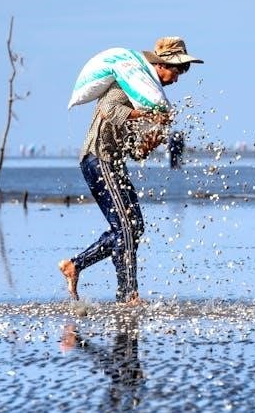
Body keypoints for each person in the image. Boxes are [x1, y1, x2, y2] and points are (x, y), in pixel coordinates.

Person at [59, 37, 203, 305]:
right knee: (124, 227)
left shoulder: (147, 97)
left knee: (134, 227)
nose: (177, 78)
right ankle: (128, 295)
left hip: (114, 162)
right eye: (177, 70)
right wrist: (147, 116)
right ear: (161, 65)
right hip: (97, 158)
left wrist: (150, 142)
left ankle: (75, 265)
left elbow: (135, 152)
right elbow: (107, 109)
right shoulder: (127, 83)